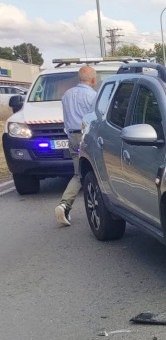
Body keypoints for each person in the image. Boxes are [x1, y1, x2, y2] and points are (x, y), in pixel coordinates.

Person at [55, 65, 98, 227]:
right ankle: (65, 204)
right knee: (83, 174)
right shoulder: (92, 96)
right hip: (85, 137)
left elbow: (66, 118)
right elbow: (94, 120)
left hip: (72, 136)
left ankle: (65, 206)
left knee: (78, 172)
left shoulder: (67, 95)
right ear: (93, 80)